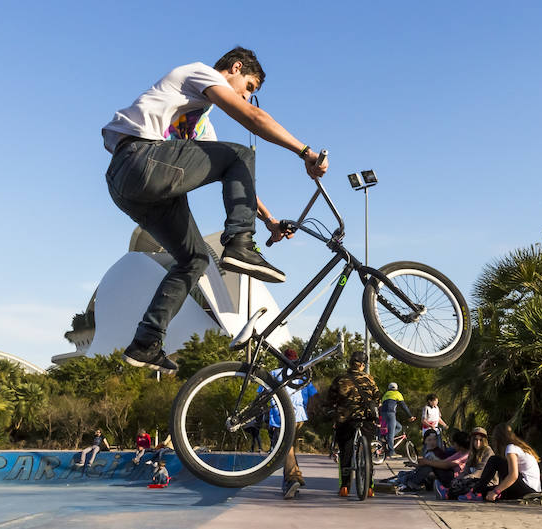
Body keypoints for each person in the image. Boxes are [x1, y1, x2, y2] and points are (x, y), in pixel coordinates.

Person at [102, 46, 329, 374]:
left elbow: (238, 173)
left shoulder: (200, 124)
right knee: (240, 154)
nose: (246, 98)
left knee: (194, 260)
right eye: (248, 87)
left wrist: (269, 220)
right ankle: (239, 244)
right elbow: (252, 119)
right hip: (138, 158)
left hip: (131, 187)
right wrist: (304, 151)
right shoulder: (198, 73)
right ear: (235, 68)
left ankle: (146, 342)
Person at [326, 351, 381, 498]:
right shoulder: (370, 379)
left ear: (350, 363)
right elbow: (378, 399)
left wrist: (332, 411)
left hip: (346, 418)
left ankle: (344, 487)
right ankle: (369, 488)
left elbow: (331, 399)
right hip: (366, 418)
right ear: (363, 365)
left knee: (345, 450)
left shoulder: (340, 379)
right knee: (367, 450)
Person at [268, 348, 318, 499]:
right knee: (290, 448)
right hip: (299, 417)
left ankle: (292, 479)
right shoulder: (302, 374)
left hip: (281, 416)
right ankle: (294, 478)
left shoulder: (274, 374)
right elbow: (314, 394)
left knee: (286, 448)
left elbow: (262, 393)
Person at [460, 423, 542, 502]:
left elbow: (513, 475)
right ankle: (477, 493)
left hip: (527, 489)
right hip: (532, 490)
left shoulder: (511, 448)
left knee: (495, 460)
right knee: (487, 491)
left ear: (498, 438)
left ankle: (476, 492)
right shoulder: (520, 447)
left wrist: (496, 492)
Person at [398, 430, 470, 495]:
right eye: (429, 440)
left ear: (460, 445)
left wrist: (428, 462)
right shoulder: (459, 453)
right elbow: (444, 461)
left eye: (454, 444)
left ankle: (411, 483)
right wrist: (423, 463)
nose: (453, 446)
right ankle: (410, 482)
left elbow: (448, 465)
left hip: (455, 478)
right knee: (428, 466)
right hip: (448, 474)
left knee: (429, 466)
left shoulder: (466, 455)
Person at [447, 426, 495, 499]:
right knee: (456, 482)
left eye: (480, 440)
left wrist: (467, 478)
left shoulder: (488, 452)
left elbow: (481, 472)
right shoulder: (472, 453)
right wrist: (458, 478)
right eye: (475, 440)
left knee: (466, 483)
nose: (478, 443)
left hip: (487, 483)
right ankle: (448, 492)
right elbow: (466, 470)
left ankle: (450, 494)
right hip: (473, 480)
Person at [380, 382, 416, 457]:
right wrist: (410, 416)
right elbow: (403, 406)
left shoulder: (386, 394)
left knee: (399, 427)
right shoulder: (397, 394)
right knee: (391, 432)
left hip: (383, 414)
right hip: (391, 414)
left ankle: (387, 438)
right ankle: (391, 452)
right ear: (396, 388)